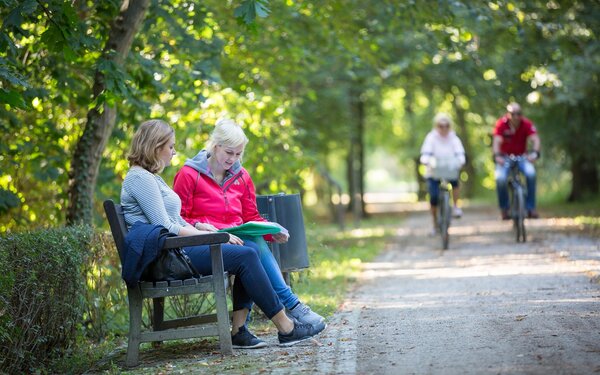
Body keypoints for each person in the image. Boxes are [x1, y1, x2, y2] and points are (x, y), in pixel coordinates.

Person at [120, 119, 324, 348]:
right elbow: (166, 227)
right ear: (156, 147)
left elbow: (174, 221)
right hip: (167, 257)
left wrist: (199, 227)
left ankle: (241, 332)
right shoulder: (140, 178)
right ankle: (287, 327)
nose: (174, 152)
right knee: (246, 255)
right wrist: (219, 236)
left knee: (250, 250)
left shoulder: (150, 177)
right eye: (170, 146)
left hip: (175, 251)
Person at [173, 118, 326, 330]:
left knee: (252, 245)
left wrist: (273, 230)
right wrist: (199, 225)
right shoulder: (188, 175)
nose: (233, 159)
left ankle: (243, 328)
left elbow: (251, 216)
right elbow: (177, 218)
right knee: (251, 250)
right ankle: (292, 306)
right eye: (229, 153)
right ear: (215, 146)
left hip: (236, 239)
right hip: (202, 243)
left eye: (238, 154)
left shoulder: (242, 176)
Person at [492, 102, 541, 220]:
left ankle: (530, 208)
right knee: (500, 179)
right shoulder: (501, 124)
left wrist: (535, 153)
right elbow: (496, 141)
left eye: (519, 114)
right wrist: (497, 156)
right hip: (504, 158)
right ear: (508, 114)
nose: (516, 117)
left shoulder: (526, 123)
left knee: (531, 174)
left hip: (522, 157)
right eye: (513, 114)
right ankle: (505, 209)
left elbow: (535, 139)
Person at [419, 113, 466, 235]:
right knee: (433, 197)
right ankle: (434, 223)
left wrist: (460, 161)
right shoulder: (431, 138)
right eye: (441, 125)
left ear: (449, 126)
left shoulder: (454, 138)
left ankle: (456, 206)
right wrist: (426, 161)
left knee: (455, 182)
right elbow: (425, 154)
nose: (443, 128)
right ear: (437, 126)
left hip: (449, 169)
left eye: (446, 125)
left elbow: (460, 153)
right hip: (433, 171)